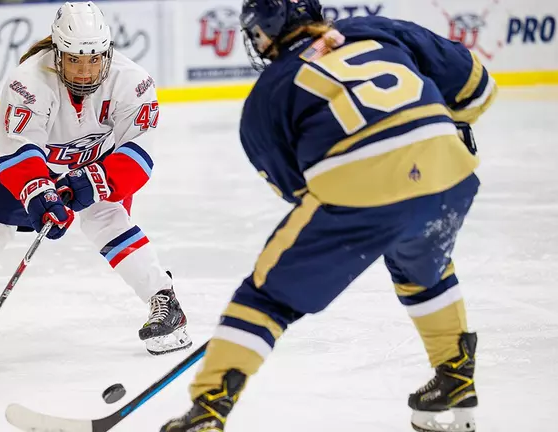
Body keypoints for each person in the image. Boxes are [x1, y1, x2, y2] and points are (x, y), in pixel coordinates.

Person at [161, 0, 496, 430]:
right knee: (420, 261)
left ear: (267, 29)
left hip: (364, 192)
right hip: (452, 176)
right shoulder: (378, 29)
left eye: (257, 33)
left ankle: (208, 409)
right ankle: (455, 375)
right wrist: (437, 132)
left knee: (266, 296)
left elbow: (301, 192)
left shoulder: (267, 97)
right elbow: (478, 88)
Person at [0, 1, 192, 357]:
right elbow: (18, 150)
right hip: (36, 164)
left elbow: (138, 154)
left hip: (97, 164)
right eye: (75, 59)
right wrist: (40, 193)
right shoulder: (28, 81)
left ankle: (164, 300)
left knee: (107, 219)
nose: (85, 71)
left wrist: (92, 182)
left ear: (107, 52)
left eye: (94, 59)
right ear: (58, 54)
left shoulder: (133, 83)